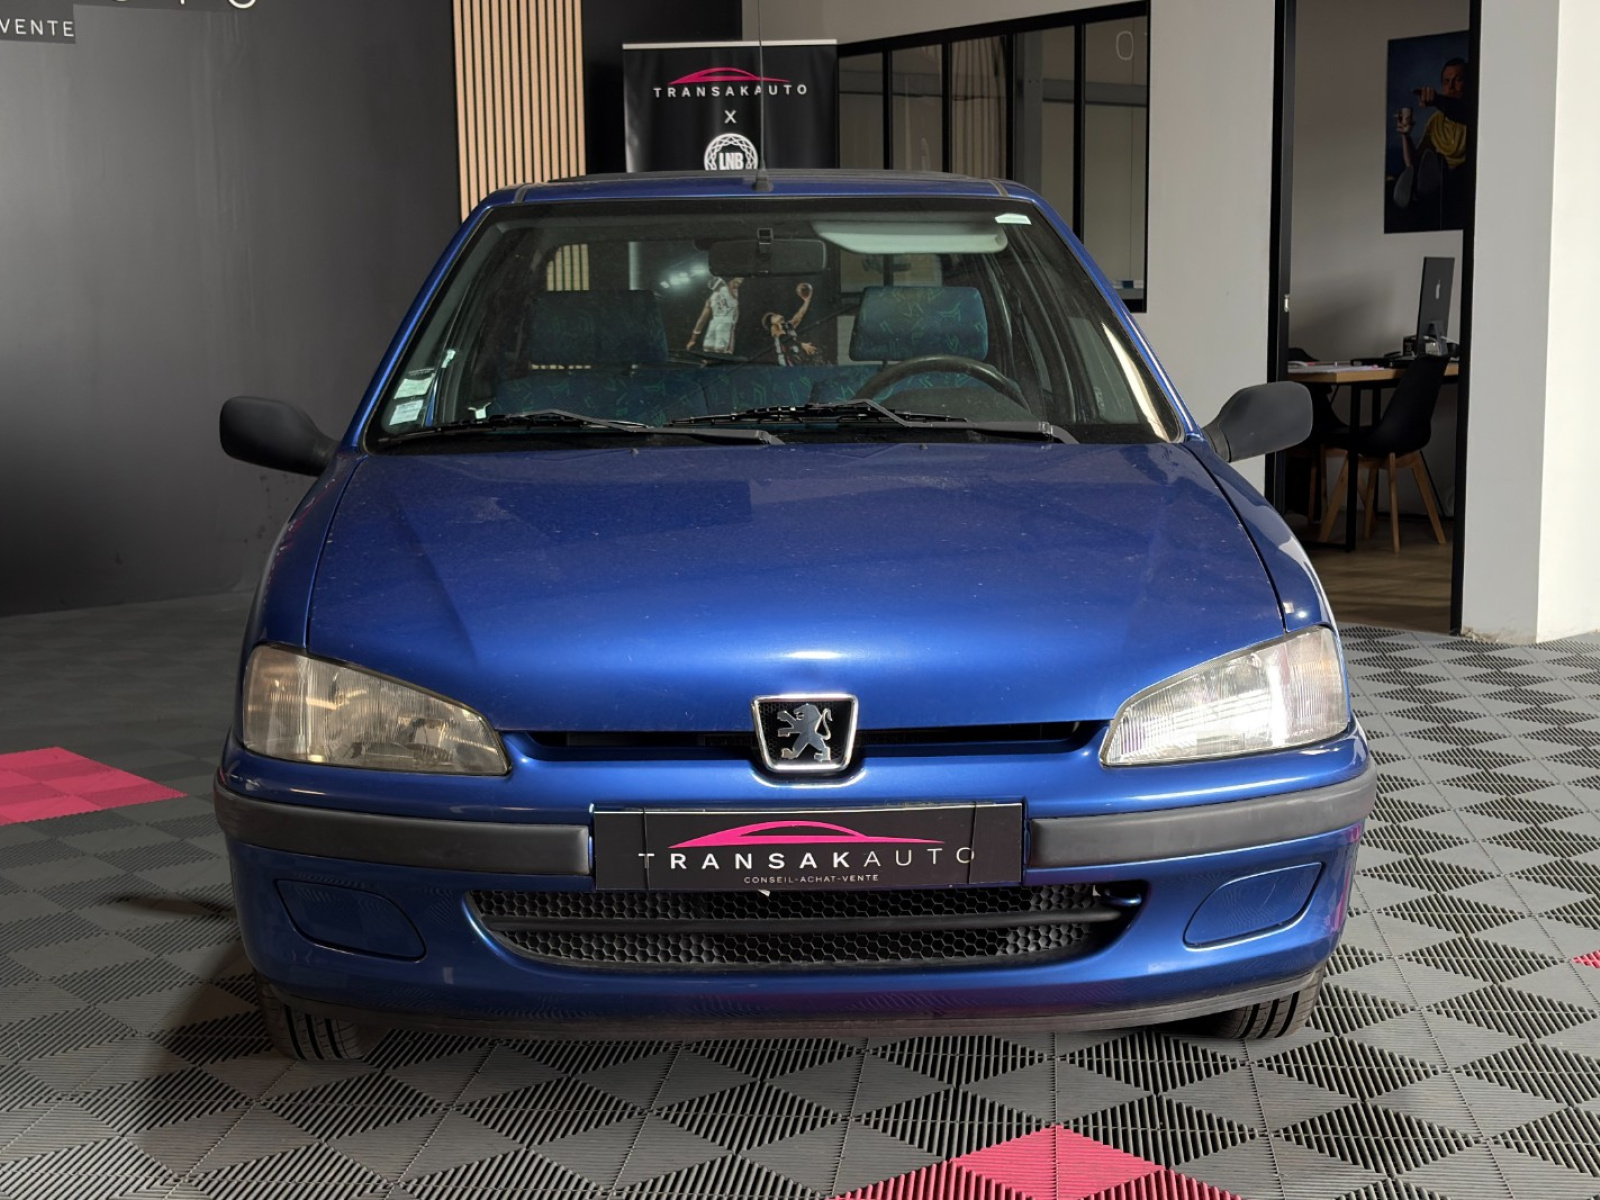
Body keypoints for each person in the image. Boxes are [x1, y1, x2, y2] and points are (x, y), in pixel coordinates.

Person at [1394, 57, 1471, 230]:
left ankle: (1429, 188)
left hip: (1463, 180)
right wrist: (1405, 135)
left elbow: (1461, 112)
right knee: (1423, 166)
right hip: (1439, 179)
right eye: (1446, 82)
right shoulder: (1436, 120)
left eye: (1458, 80)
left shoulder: (1475, 113)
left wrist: (1437, 100)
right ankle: (1419, 190)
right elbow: (1412, 162)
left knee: (1454, 174)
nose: (1451, 87)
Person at [763, 281, 821, 367]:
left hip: (794, 356)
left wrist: (807, 300)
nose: (777, 315)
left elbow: (800, 314)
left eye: (776, 314)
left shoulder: (788, 325)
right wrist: (802, 345)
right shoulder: (774, 328)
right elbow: (786, 340)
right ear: (772, 323)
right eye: (774, 316)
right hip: (785, 358)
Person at [687, 276, 741, 355]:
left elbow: (702, 319)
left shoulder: (711, 299)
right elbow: (738, 279)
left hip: (714, 323)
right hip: (725, 323)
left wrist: (693, 338)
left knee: (708, 349)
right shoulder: (731, 290)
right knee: (721, 351)